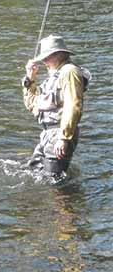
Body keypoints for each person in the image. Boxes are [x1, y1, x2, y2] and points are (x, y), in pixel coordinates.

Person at [22, 35, 89, 176]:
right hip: (47, 135)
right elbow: (33, 106)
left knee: (54, 182)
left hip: (59, 134)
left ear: (60, 54)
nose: (44, 60)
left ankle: (65, 198)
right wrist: (30, 79)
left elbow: (73, 105)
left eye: (48, 56)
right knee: (33, 172)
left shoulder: (69, 72)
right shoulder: (53, 77)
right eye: (44, 57)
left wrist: (64, 138)